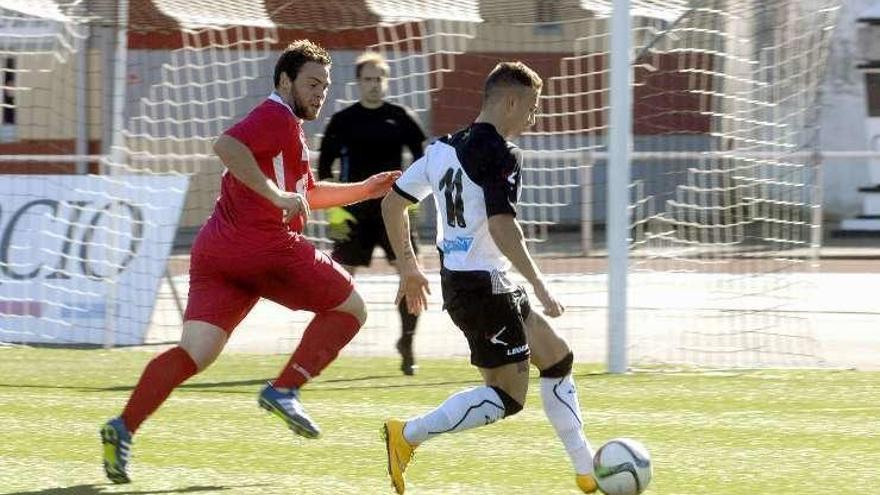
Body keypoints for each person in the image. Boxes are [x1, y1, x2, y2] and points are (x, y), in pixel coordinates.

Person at [99, 40, 400, 484]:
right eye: (311, 84)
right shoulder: (275, 114)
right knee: (352, 309)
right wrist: (277, 196)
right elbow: (226, 145)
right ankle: (285, 388)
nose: (320, 94)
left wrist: (364, 190)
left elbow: (309, 195)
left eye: (325, 86)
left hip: (217, 254)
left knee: (194, 353)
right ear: (284, 80)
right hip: (265, 248)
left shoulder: (287, 126)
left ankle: (122, 427)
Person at [380, 61, 599, 494]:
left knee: (557, 358)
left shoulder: (441, 148)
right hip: (480, 288)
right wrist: (540, 284)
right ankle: (406, 435)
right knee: (508, 397)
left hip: (483, 281)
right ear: (512, 101)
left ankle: (586, 470)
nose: (532, 119)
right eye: (532, 108)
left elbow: (392, 204)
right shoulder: (501, 152)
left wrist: (409, 266)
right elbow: (502, 226)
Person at [317, 51, 427, 376]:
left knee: (411, 276)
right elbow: (324, 169)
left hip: (394, 212)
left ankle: (407, 343)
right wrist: (335, 213)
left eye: (379, 79)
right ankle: (322, 349)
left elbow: (424, 162)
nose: (374, 85)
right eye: (368, 79)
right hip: (353, 216)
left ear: (387, 82)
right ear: (358, 82)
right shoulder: (343, 121)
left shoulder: (401, 116)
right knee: (335, 284)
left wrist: (414, 201)